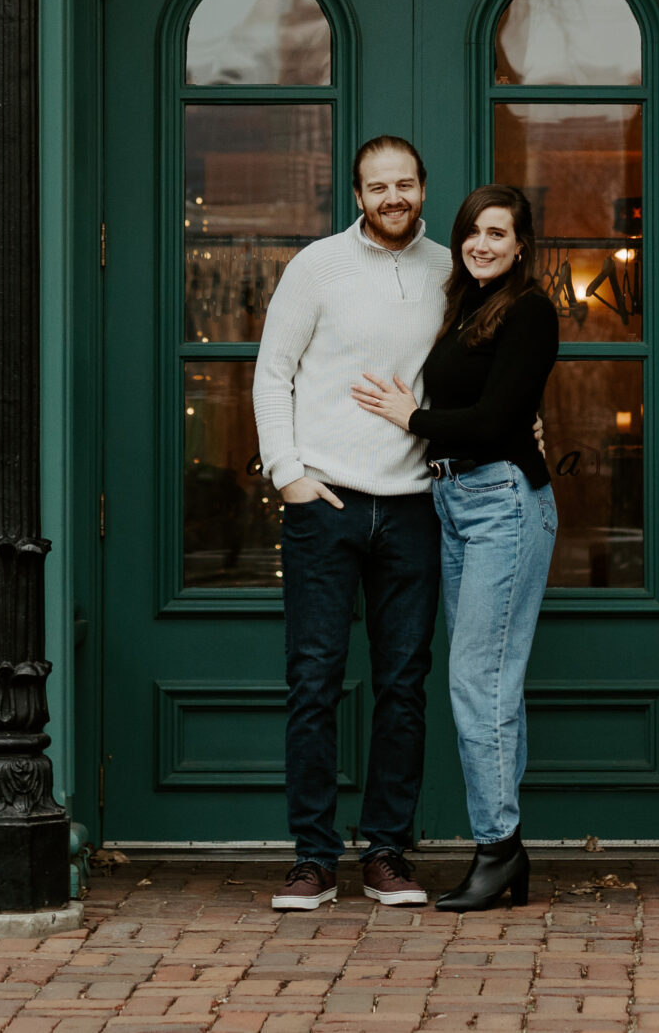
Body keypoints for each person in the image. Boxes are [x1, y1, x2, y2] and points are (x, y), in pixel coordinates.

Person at [252, 135, 447, 911]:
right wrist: (289, 475)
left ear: (422, 187)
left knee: (403, 684)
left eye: (405, 183)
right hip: (325, 504)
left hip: (415, 506)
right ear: (358, 194)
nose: (393, 196)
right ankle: (312, 857)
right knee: (314, 681)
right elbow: (273, 370)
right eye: (378, 185)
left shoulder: (447, 269)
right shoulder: (317, 266)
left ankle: (387, 852)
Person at [353, 183, 559, 912]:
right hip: (456, 500)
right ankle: (505, 852)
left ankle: (498, 849)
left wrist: (412, 415)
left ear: (522, 244)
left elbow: (500, 417)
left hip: (502, 501)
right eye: (474, 231)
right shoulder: (469, 304)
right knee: (484, 676)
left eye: (498, 234)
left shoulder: (531, 310)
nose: (482, 244)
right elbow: (484, 409)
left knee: (480, 678)